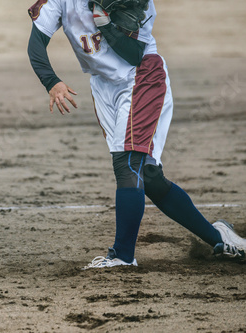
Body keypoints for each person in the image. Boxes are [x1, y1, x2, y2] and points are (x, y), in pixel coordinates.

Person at [26, 0, 246, 268]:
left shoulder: (137, 3)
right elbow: (36, 44)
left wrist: (106, 24)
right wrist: (52, 81)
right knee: (149, 176)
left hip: (142, 76)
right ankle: (219, 239)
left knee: (128, 163)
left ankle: (122, 256)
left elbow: (134, 54)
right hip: (104, 85)